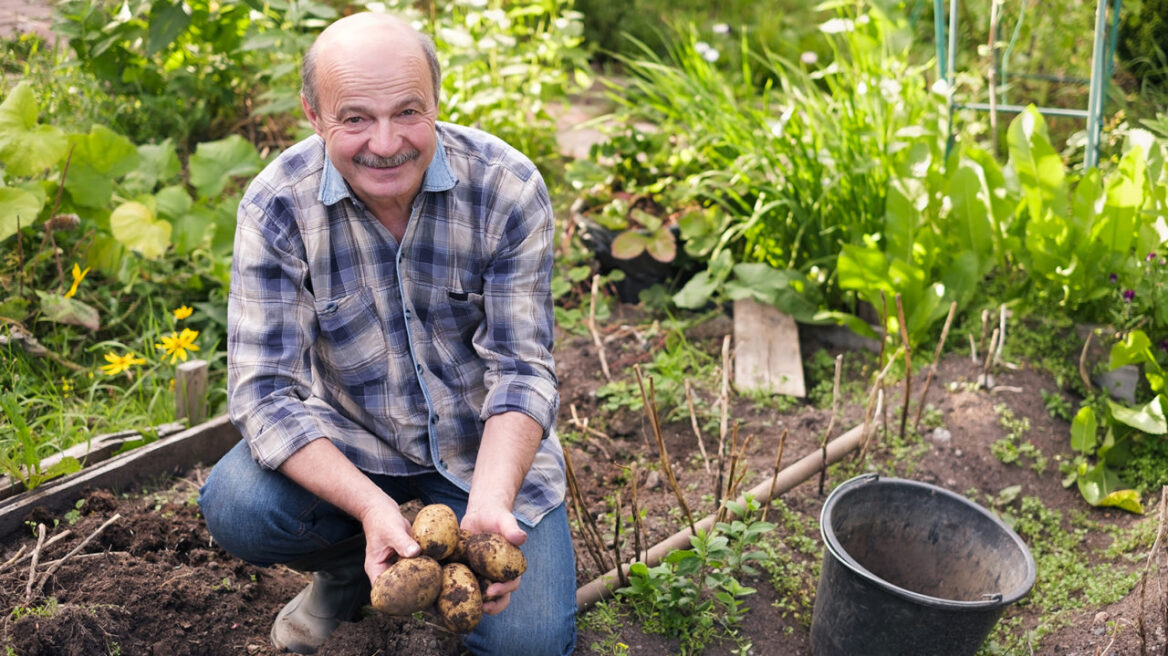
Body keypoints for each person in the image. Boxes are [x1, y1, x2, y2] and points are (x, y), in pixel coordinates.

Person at [197, 12, 577, 656]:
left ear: (437, 99)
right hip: (352, 445)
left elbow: (521, 370)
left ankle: (441, 559)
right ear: (313, 116)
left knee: (531, 645)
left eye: (408, 111)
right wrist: (375, 509)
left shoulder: (506, 189)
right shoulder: (278, 207)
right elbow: (263, 395)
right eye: (354, 119)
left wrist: (488, 506)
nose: (385, 142)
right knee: (238, 504)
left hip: (478, 460)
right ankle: (348, 568)